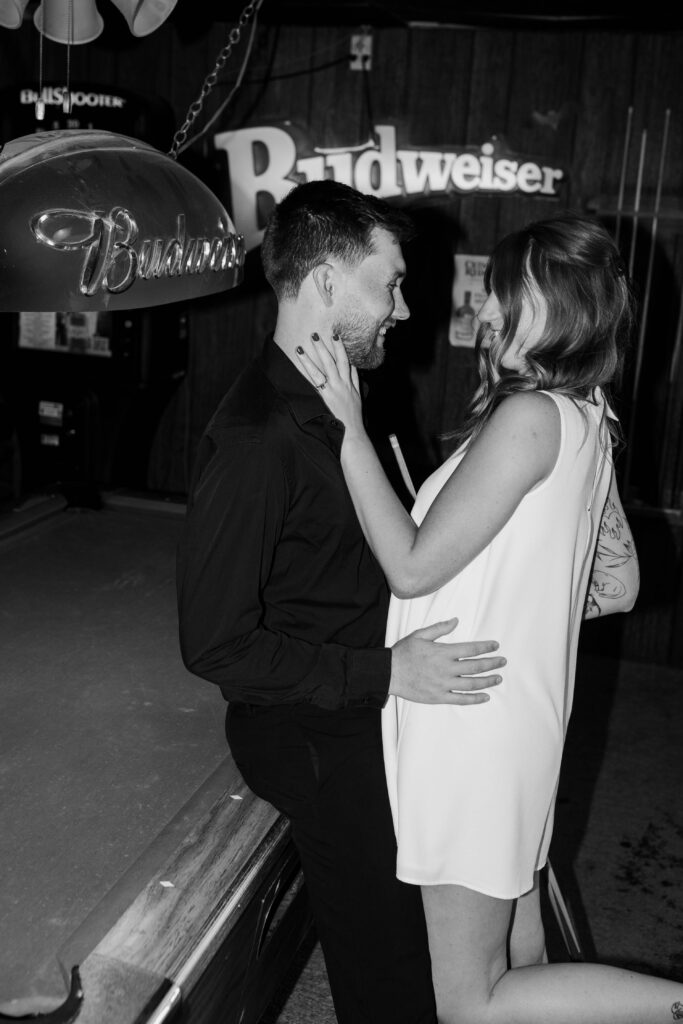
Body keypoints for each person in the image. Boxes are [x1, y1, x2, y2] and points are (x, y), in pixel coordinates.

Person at [296, 211, 683, 1023]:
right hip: (509, 716)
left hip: (471, 728)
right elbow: (616, 584)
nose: (486, 313)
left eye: (509, 297)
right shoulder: (588, 419)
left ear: (566, 307)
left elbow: (409, 563)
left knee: (473, 999)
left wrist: (348, 431)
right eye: (489, 295)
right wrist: (513, 597)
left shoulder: (530, 418)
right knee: (519, 956)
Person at [175, 179, 508, 1024]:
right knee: (392, 967)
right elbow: (215, 646)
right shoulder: (257, 438)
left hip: (366, 702)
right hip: (312, 730)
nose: (401, 308)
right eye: (388, 283)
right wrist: (387, 673)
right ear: (324, 284)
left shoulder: (352, 399)